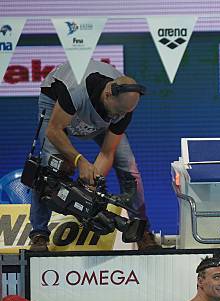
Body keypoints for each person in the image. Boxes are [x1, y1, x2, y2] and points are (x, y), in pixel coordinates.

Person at [28, 59, 161, 251]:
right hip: (57, 109)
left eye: (123, 114)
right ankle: (39, 233)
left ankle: (141, 230)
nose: (118, 117)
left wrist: (92, 183)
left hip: (96, 118)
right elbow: (54, 131)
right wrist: (78, 160)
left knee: (129, 167)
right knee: (49, 166)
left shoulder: (124, 106)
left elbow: (108, 152)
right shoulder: (74, 92)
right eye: (117, 112)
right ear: (108, 94)